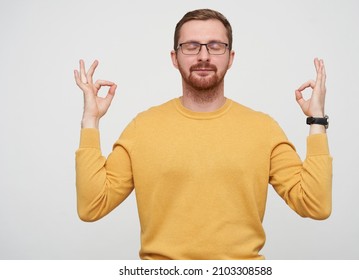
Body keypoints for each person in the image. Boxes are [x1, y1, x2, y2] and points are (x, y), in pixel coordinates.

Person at [74, 8, 332, 260]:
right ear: (175, 58)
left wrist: (317, 119)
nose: (204, 56)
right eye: (192, 46)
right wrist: (91, 120)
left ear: (230, 57)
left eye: (215, 46)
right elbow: (92, 206)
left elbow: (315, 204)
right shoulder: (142, 128)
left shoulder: (263, 129)